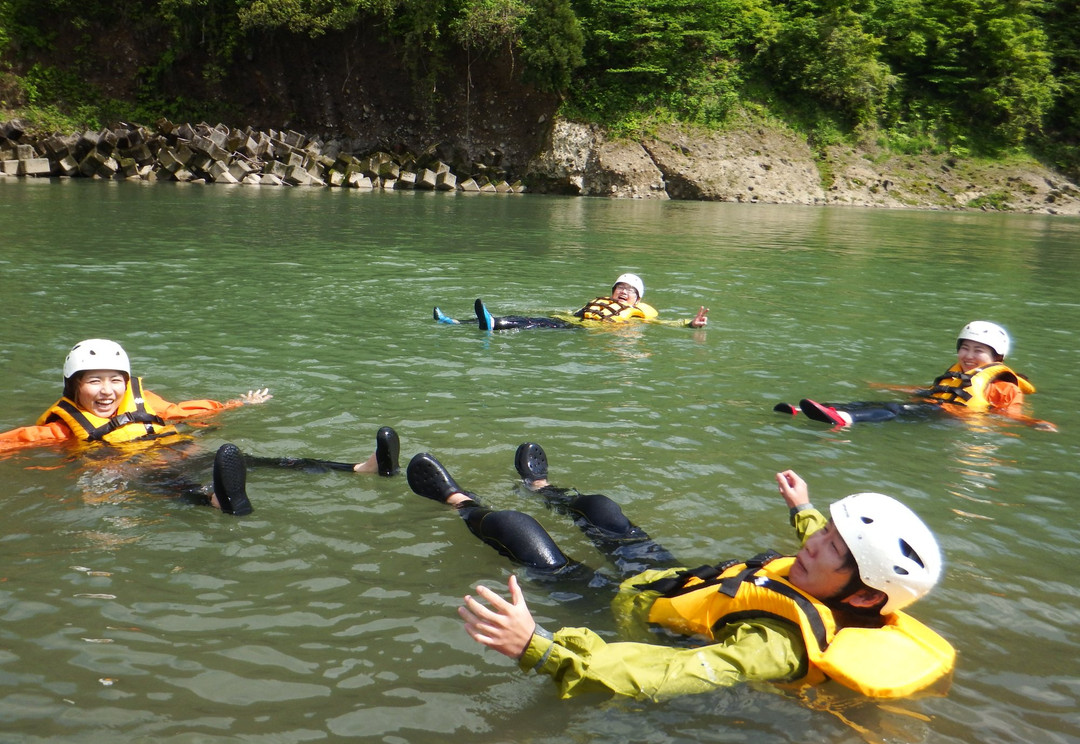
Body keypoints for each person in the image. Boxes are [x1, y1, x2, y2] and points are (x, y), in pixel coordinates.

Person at [406, 444, 954, 701]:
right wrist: (803, 508)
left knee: (517, 530)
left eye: (833, 546)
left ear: (863, 598)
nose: (815, 543)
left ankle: (458, 500)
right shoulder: (834, 578)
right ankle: (542, 488)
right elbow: (823, 544)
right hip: (675, 580)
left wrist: (542, 649)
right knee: (601, 509)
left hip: (632, 610)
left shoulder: (776, 645)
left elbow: (670, 672)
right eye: (826, 531)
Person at [0, 338, 401, 515]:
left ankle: (359, 468)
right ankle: (214, 501)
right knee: (167, 483)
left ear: (126, 381)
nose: (107, 390)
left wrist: (237, 404)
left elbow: (185, 412)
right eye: (94, 381)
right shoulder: (63, 429)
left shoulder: (146, 402)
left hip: (182, 452)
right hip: (137, 469)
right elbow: (16, 441)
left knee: (263, 460)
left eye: (115, 380)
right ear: (74, 387)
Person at [775, 321, 1039, 427]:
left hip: (950, 417)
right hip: (933, 405)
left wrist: (1035, 423)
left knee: (894, 409)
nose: (968, 356)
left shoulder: (1005, 387)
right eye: (965, 348)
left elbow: (1012, 414)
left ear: (997, 359)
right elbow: (929, 391)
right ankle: (807, 410)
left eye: (978, 351)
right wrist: (886, 386)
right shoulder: (958, 374)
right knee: (871, 402)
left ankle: (845, 420)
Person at [433, 273, 709, 330]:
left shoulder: (637, 314)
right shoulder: (600, 301)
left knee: (534, 325)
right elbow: (575, 311)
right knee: (529, 317)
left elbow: (663, 323)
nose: (624, 293)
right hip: (572, 320)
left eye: (630, 291)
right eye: (620, 288)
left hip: (580, 330)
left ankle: (495, 324)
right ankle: (455, 321)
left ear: (638, 299)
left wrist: (689, 323)